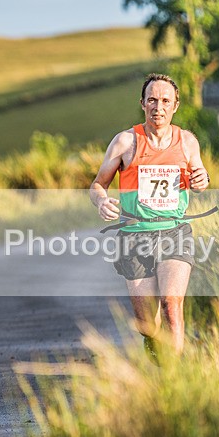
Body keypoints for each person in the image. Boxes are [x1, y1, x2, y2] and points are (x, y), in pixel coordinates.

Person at [90, 73, 209, 359]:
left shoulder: (187, 142)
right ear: (142, 103)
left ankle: (174, 373)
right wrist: (102, 201)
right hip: (134, 237)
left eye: (166, 101)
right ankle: (152, 340)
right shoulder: (125, 142)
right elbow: (97, 185)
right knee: (147, 323)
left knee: (171, 304)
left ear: (175, 106)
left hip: (174, 233)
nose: (159, 107)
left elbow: (200, 178)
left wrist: (202, 180)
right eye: (152, 100)